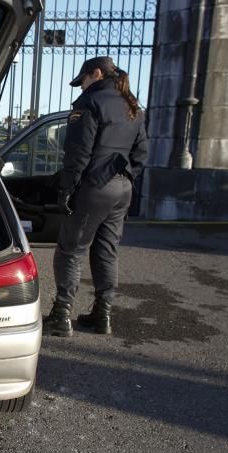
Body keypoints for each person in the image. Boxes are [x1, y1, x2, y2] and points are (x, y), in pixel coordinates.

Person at [43, 56, 149, 337]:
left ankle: (61, 316)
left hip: (94, 187)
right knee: (106, 249)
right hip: (122, 187)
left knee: (71, 249)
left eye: (83, 80)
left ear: (97, 73)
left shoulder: (89, 103)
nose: (81, 87)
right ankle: (103, 315)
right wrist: (124, 177)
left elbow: (78, 153)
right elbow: (141, 154)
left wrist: (67, 189)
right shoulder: (133, 105)